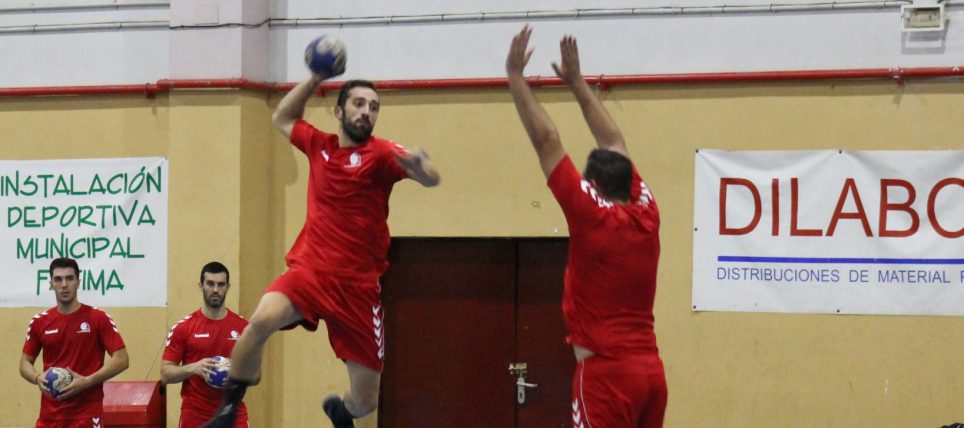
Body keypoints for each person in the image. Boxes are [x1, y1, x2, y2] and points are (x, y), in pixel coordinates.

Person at [205, 69, 440, 428]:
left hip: (359, 291)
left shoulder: (382, 155)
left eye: (374, 107)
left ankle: (342, 412)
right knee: (260, 320)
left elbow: (430, 178)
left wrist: (422, 172)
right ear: (339, 112)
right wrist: (315, 77)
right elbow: (282, 116)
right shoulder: (320, 146)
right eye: (359, 104)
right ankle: (227, 410)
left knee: (365, 401)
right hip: (310, 273)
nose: (367, 112)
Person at [506, 26, 668, 427]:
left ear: (592, 185)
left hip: (607, 376)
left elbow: (547, 140)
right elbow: (615, 144)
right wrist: (578, 83)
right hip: (651, 374)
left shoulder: (591, 213)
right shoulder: (647, 213)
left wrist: (514, 78)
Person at [19, 257, 130, 428]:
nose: (64, 284)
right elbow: (25, 362)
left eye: (69, 278)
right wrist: (37, 377)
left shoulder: (98, 318)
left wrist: (88, 381)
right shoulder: (39, 322)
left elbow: (122, 359)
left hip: (86, 415)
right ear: (51, 284)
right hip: (50, 417)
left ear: (78, 282)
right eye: (58, 279)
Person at [162, 262, 259, 428]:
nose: (215, 290)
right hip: (195, 414)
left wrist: (237, 374)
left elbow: (257, 375)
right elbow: (166, 374)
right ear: (201, 286)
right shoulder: (184, 328)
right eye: (210, 284)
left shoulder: (244, 328)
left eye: (221, 284)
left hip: (232, 412)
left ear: (228, 287)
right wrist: (193, 368)